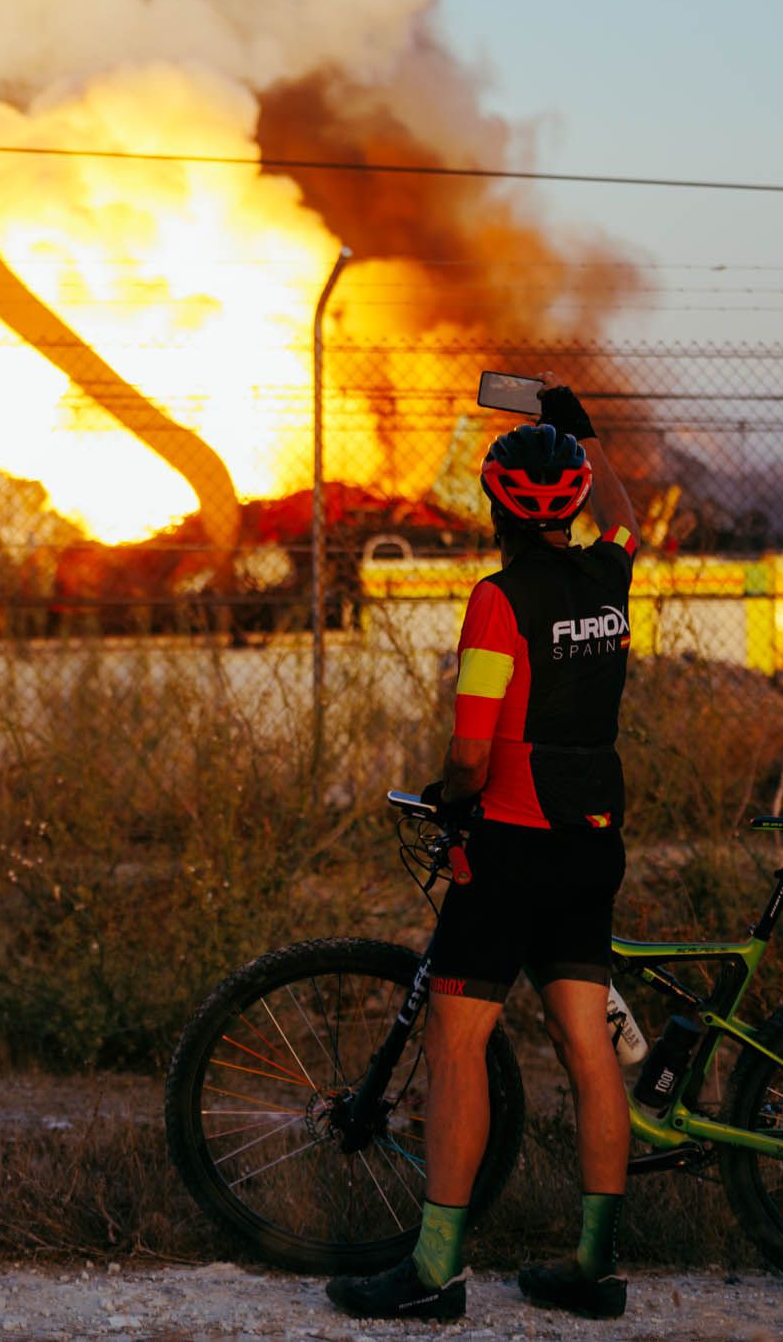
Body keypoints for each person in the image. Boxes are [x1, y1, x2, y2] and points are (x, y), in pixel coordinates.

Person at [327, 376, 639, 1323]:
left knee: (457, 1045)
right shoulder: (611, 575)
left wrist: (439, 798)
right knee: (588, 1045)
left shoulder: (496, 602)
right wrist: (581, 434)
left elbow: (470, 754)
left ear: (493, 504)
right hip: (593, 839)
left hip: (509, 847)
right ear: (574, 499)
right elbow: (624, 517)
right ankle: (594, 1270)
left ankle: (433, 1273)